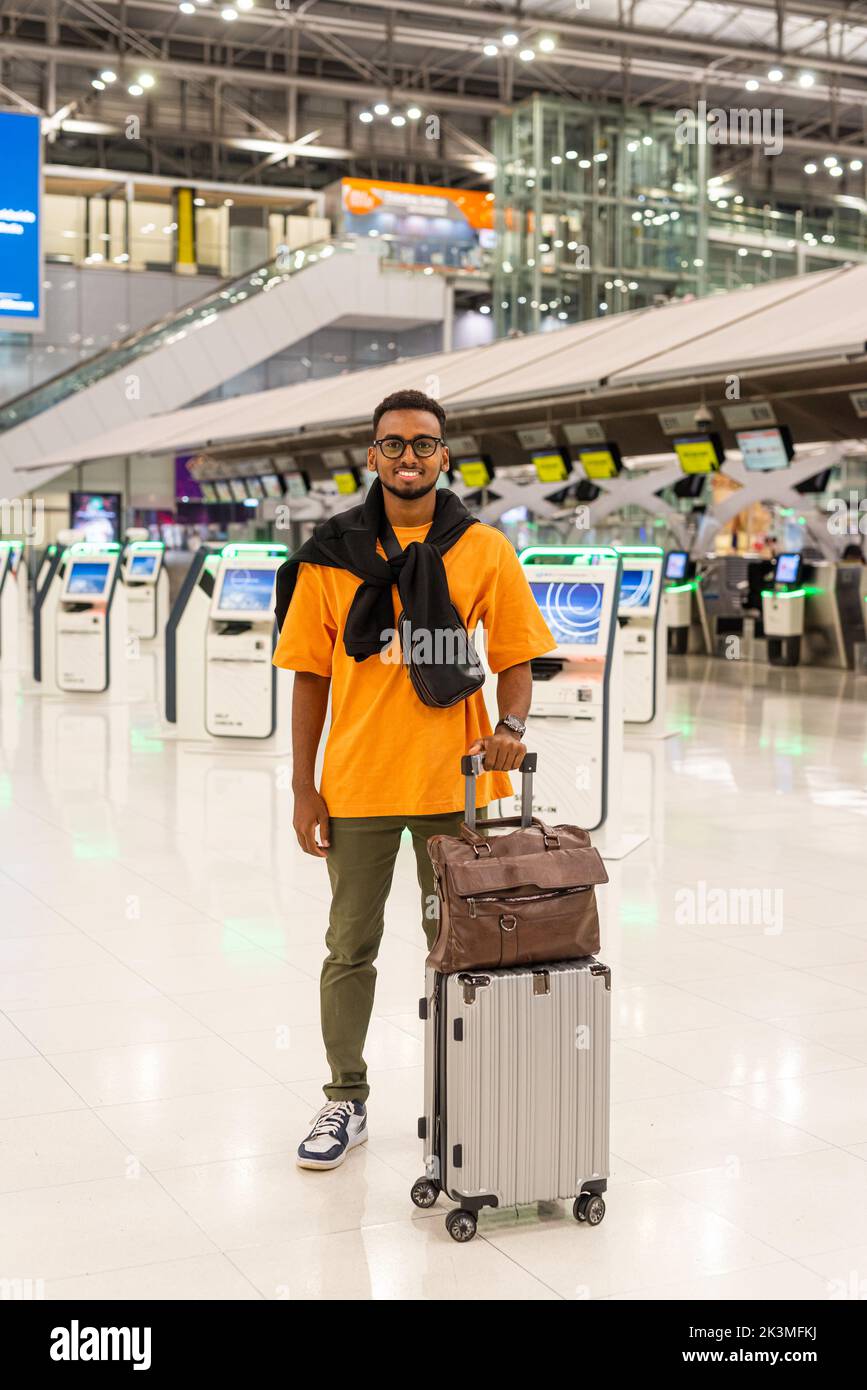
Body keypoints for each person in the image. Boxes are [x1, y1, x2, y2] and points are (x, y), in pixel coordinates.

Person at [273, 388, 555, 1170]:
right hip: (357, 785)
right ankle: (344, 1100)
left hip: (452, 790)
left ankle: (461, 1093)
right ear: (371, 457)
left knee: (457, 950)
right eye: (392, 443)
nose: (407, 456)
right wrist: (304, 785)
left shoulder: (483, 548)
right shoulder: (328, 553)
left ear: (443, 456)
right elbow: (307, 677)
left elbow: (515, 657)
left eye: (423, 444)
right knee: (349, 946)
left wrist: (510, 728)